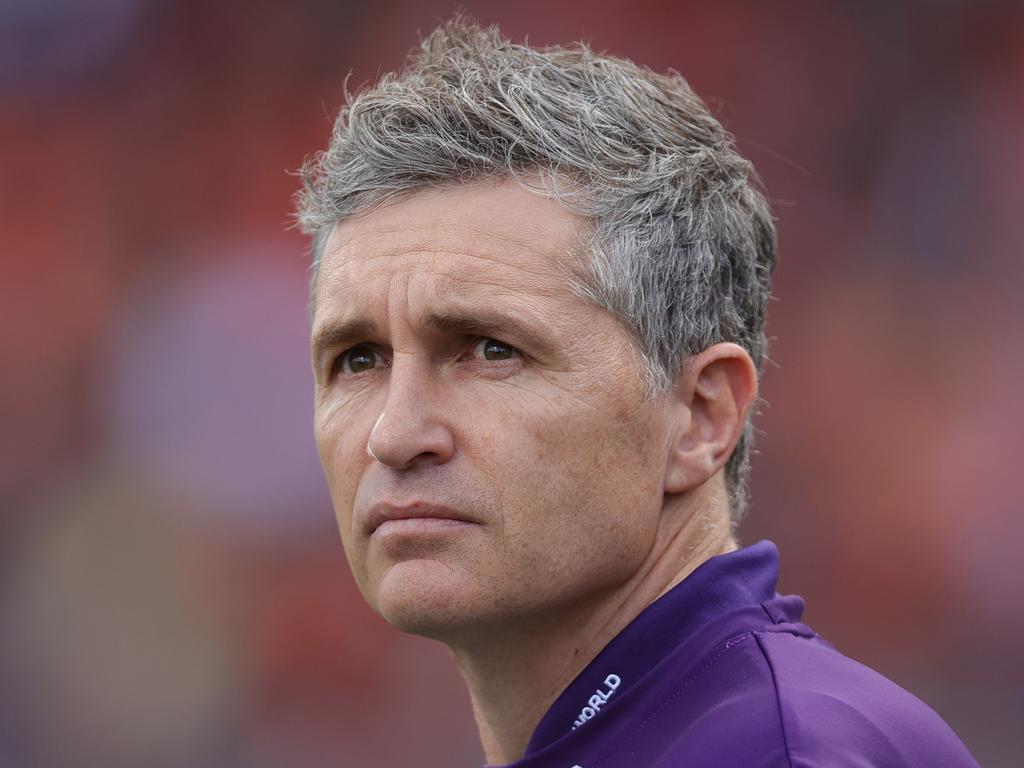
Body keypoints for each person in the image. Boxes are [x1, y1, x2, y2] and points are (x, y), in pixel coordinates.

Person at [296, 18, 979, 768]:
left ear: (700, 417)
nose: (393, 434)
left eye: (493, 350)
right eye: (358, 360)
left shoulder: (777, 753)